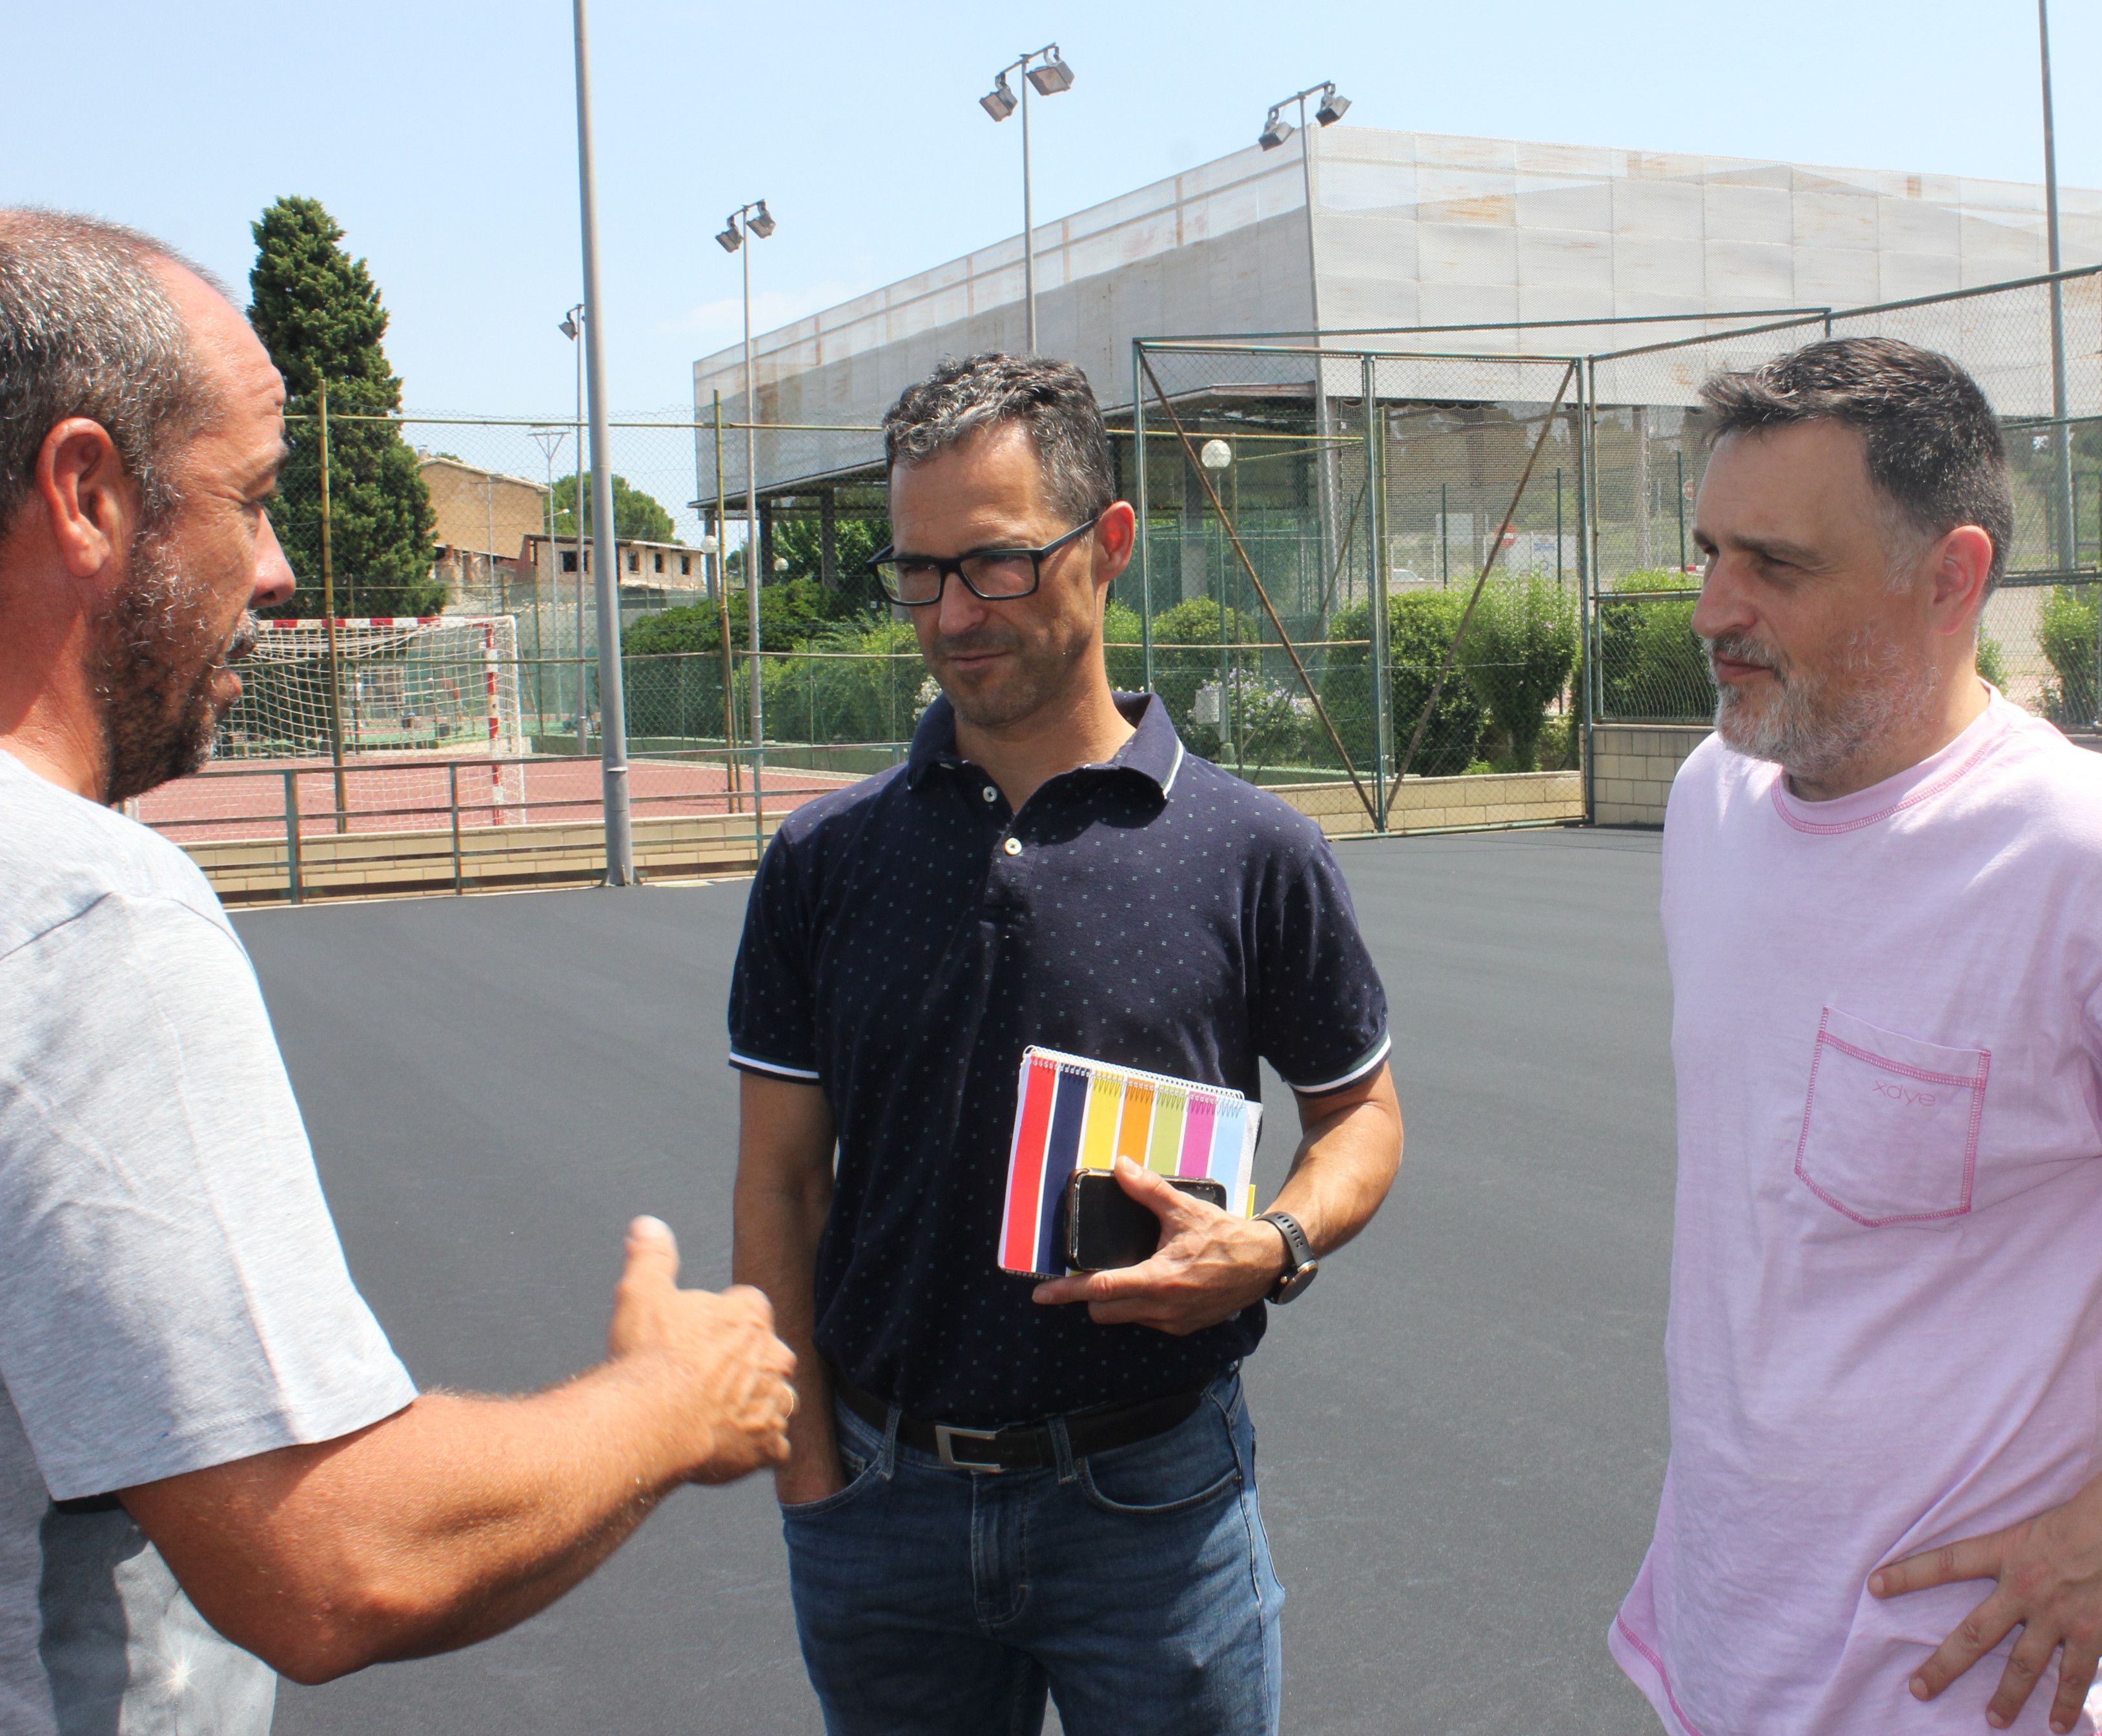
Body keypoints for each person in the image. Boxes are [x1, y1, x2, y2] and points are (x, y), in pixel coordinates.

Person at [0, 209, 799, 1735]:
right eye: (247, 500)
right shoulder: (82, 919)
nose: (280, 567)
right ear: (88, 493)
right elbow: (332, 1553)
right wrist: (674, 1401)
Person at [1609, 337, 2102, 1736]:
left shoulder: (2094, 863)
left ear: (1951, 579)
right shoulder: (1713, 800)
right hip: (1724, 1648)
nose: (1710, 608)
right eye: (1707, 551)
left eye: (1774, 566)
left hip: (1969, 1693)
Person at [729, 352, 1402, 1735]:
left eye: (991, 566)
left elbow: (1364, 1115)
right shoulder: (823, 858)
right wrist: (811, 1480)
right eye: (917, 574)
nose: (949, 615)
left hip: (1154, 1505)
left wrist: (1272, 1243)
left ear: (1107, 547)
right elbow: (781, 1184)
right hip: (883, 1505)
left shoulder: (1253, 851)